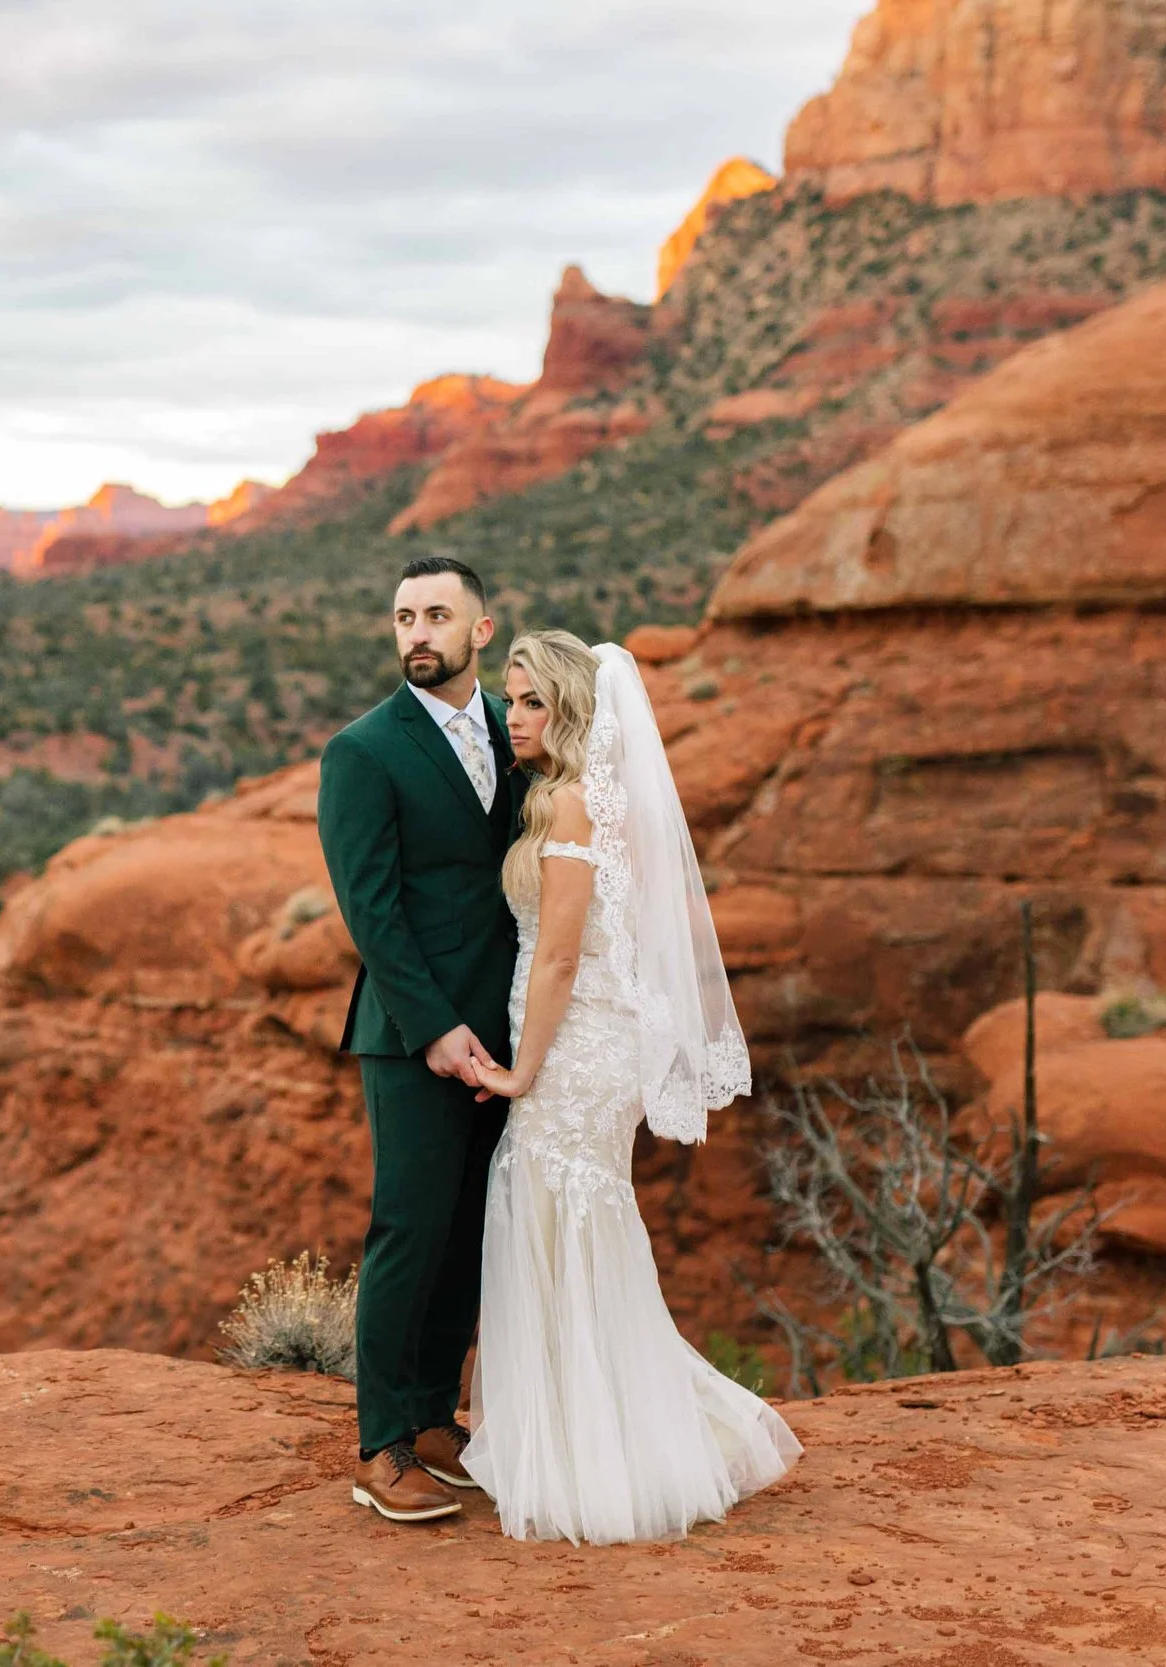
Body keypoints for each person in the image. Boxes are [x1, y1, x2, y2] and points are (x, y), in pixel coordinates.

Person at [459, 629, 800, 1543]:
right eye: (511, 698)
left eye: (531, 700)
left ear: (572, 708)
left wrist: (522, 1069)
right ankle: (588, 1431)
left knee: (557, 1214)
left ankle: (593, 1450)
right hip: (584, 1040)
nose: (514, 715)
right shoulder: (580, 799)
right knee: (566, 1220)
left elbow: (563, 955)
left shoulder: (574, 804)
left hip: (574, 1048)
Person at [315, 554, 518, 1523]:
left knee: (471, 1231)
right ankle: (382, 1445)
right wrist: (434, 1027)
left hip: (508, 1034)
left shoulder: (515, 732)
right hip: (411, 1035)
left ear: (481, 629)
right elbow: (372, 909)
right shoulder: (363, 751)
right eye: (402, 618)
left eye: (437, 615)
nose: (416, 634)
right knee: (409, 1226)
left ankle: (436, 1415)